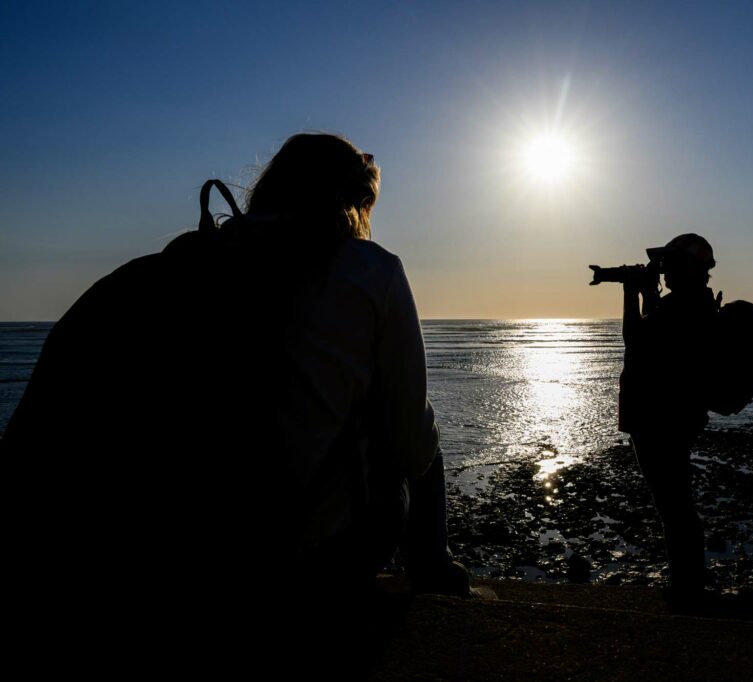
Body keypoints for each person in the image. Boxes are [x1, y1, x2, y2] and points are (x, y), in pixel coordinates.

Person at [4, 133, 468, 623]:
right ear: (355, 201)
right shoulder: (373, 269)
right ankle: (431, 569)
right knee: (415, 435)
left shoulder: (186, 263)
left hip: (170, 555)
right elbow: (413, 445)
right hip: (302, 563)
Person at [618, 233, 719, 601]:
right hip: (669, 417)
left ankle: (687, 589)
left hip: (661, 420)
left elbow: (636, 338)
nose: (664, 271)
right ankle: (688, 583)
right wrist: (649, 295)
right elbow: (652, 336)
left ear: (690, 268)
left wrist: (632, 293)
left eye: (670, 264)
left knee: (674, 506)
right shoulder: (690, 303)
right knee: (675, 504)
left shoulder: (685, 307)